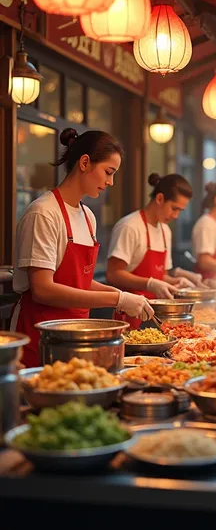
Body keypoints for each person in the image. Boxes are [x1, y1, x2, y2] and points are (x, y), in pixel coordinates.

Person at [11, 128, 154, 367]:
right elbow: (43, 289)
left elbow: (80, 281)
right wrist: (117, 300)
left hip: (78, 338)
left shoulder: (88, 217)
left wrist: (122, 296)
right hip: (42, 338)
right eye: (108, 172)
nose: (110, 182)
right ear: (85, 162)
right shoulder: (44, 213)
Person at [107, 173, 204, 329]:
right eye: (174, 208)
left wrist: (177, 283)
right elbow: (113, 273)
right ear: (159, 199)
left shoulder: (166, 230)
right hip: (131, 316)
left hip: (159, 316)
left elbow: (161, 276)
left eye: (180, 211)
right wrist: (149, 283)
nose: (176, 216)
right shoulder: (130, 226)